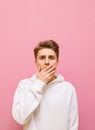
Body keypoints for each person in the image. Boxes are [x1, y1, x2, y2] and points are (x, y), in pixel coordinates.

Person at [12, 40, 79, 130]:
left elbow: (73, 125)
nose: (47, 62)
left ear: (57, 61)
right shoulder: (24, 85)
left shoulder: (68, 89)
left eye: (51, 58)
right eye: (42, 58)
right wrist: (39, 83)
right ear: (36, 61)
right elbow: (20, 118)